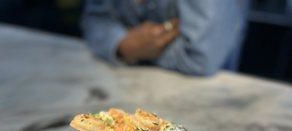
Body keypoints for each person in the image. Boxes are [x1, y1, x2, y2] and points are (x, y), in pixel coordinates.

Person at [81, 0, 249, 76]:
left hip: (204, 96)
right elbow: (95, 19)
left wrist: (138, 49)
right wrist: (123, 46)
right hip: (116, 83)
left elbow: (201, 58)